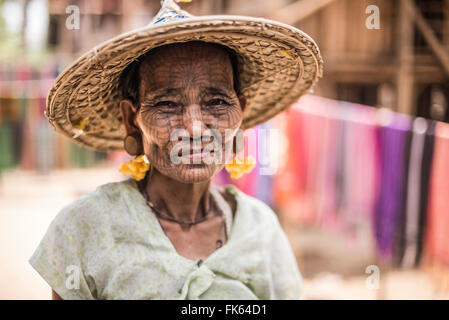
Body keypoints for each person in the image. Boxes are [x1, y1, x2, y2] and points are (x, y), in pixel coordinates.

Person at [29, 0, 323, 300]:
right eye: (167, 105)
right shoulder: (86, 227)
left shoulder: (261, 230)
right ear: (132, 119)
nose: (195, 129)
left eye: (217, 102)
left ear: (241, 114)